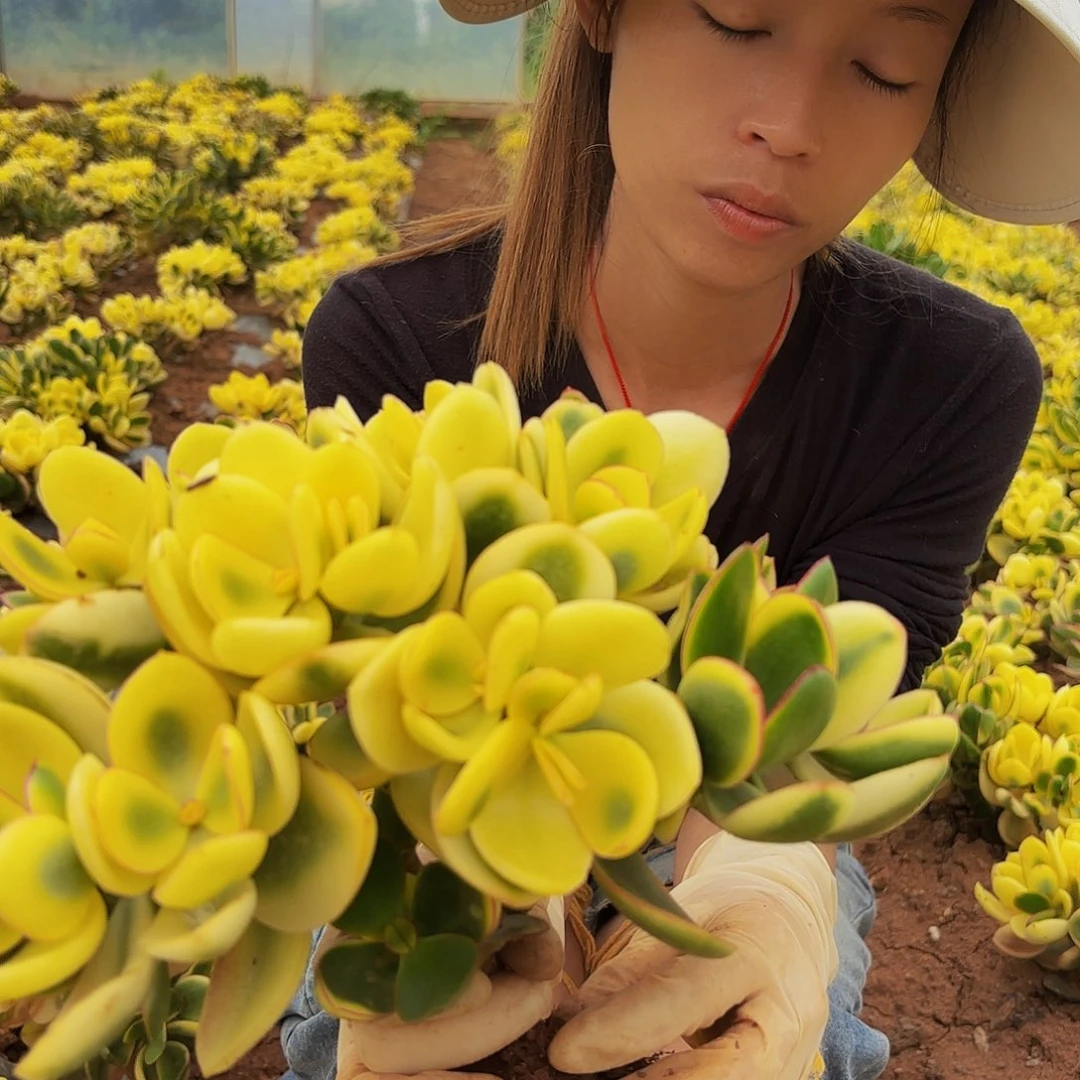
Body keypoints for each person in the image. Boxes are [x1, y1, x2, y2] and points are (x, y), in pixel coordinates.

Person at [285, 0, 1080, 1077]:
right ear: (605, 12)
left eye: (885, 70)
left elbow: (788, 745)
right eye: (736, 18)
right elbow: (392, 736)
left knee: (786, 1030)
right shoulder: (393, 338)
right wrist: (472, 877)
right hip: (461, 808)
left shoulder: (950, 383)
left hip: (730, 825)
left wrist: (766, 886)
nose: (791, 126)